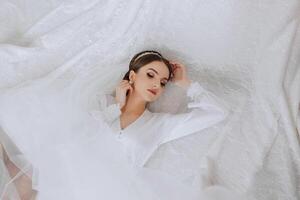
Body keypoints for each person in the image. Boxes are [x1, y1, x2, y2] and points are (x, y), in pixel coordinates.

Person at [0, 50, 229, 200]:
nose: (157, 85)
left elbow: (218, 113)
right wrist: (115, 107)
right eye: (150, 75)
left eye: (162, 82)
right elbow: (81, 137)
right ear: (132, 76)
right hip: (73, 173)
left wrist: (186, 84)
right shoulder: (104, 104)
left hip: (111, 191)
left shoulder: (160, 125)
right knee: (15, 168)